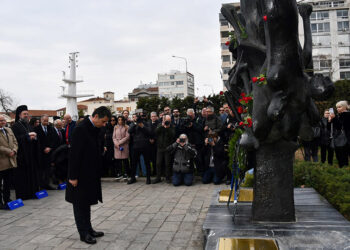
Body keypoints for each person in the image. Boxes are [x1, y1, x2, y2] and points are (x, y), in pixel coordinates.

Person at [65, 106, 111, 245]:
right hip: (79, 174)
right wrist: (73, 176)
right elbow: (74, 154)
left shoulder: (95, 128)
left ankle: (89, 228)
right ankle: (83, 233)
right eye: (103, 121)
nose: (104, 125)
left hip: (90, 173)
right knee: (79, 203)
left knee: (87, 202)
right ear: (95, 116)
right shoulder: (81, 129)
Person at [11, 105, 40, 200]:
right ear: (19, 115)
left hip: (31, 154)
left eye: (27, 114)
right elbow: (16, 139)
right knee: (22, 176)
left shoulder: (29, 125)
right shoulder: (15, 126)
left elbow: (34, 137)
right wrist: (27, 136)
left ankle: (32, 192)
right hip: (22, 156)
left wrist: (34, 137)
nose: (26, 115)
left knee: (31, 175)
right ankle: (24, 195)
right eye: (24, 114)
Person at [128, 115, 152, 184]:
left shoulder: (147, 123)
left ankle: (148, 178)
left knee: (147, 162)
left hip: (145, 146)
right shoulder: (133, 124)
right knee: (134, 163)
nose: (136, 119)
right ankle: (133, 178)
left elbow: (149, 132)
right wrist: (135, 124)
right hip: (136, 146)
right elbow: (129, 131)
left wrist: (142, 126)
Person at [0, 115, 18, 209]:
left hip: (10, 161)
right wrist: (8, 151)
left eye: (3, 120)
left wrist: (14, 150)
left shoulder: (9, 130)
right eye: (1, 121)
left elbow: (15, 141)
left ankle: (7, 199)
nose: (3, 122)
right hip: (1, 162)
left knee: (7, 182)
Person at [34, 115, 56, 189]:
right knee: (40, 170)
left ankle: (47, 184)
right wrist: (44, 148)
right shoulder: (36, 129)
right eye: (44, 120)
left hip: (49, 153)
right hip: (40, 153)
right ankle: (40, 185)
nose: (46, 122)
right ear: (41, 120)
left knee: (47, 170)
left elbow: (53, 139)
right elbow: (37, 141)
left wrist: (50, 147)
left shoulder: (51, 128)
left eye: (47, 120)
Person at [153, 115, 175, 184]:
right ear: (163, 119)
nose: (167, 121)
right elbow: (155, 132)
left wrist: (167, 128)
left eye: (169, 120)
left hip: (168, 148)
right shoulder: (159, 125)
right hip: (160, 147)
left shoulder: (172, 126)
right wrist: (162, 126)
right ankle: (158, 177)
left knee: (167, 163)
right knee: (158, 163)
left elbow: (173, 135)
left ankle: (167, 177)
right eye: (166, 120)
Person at [329, 101, 350, 167]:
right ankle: (343, 169)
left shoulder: (347, 115)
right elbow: (334, 127)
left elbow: (341, 126)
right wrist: (331, 120)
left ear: (344, 107)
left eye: (339, 107)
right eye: (337, 107)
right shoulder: (339, 115)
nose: (337, 109)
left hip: (346, 138)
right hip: (340, 138)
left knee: (342, 155)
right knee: (341, 156)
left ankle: (343, 169)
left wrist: (334, 118)